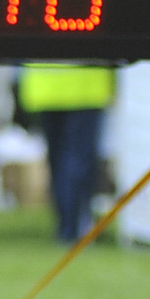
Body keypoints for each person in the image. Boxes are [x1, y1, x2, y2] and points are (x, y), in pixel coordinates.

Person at [22, 61, 114, 244]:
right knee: (77, 161)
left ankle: (66, 225)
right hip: (85, 87)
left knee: (58, 161)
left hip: (45, 85)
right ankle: (74, 228)